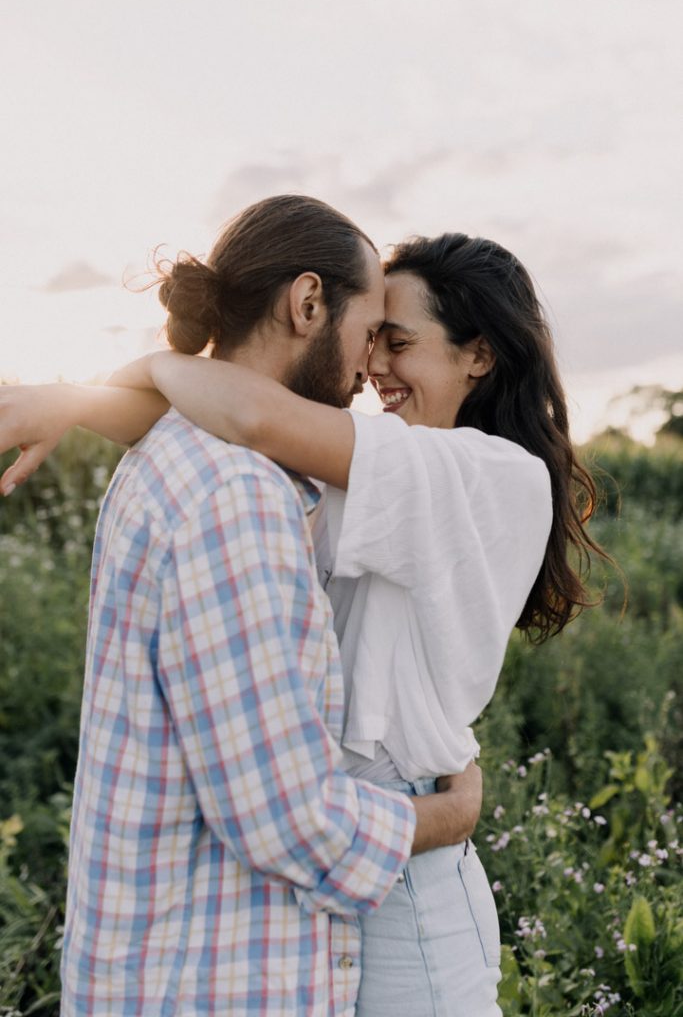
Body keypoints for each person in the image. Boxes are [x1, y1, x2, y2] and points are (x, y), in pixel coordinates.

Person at [0, 217, 605, 1017]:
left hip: (399, 867)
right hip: (341, 844)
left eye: (398, 343)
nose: (373, 366)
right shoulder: (369, 458)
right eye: (372, 337)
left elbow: (250, 415)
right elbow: (210, 421)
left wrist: (148, 365)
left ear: (479, 355)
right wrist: (74, 403)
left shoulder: (488, 475)